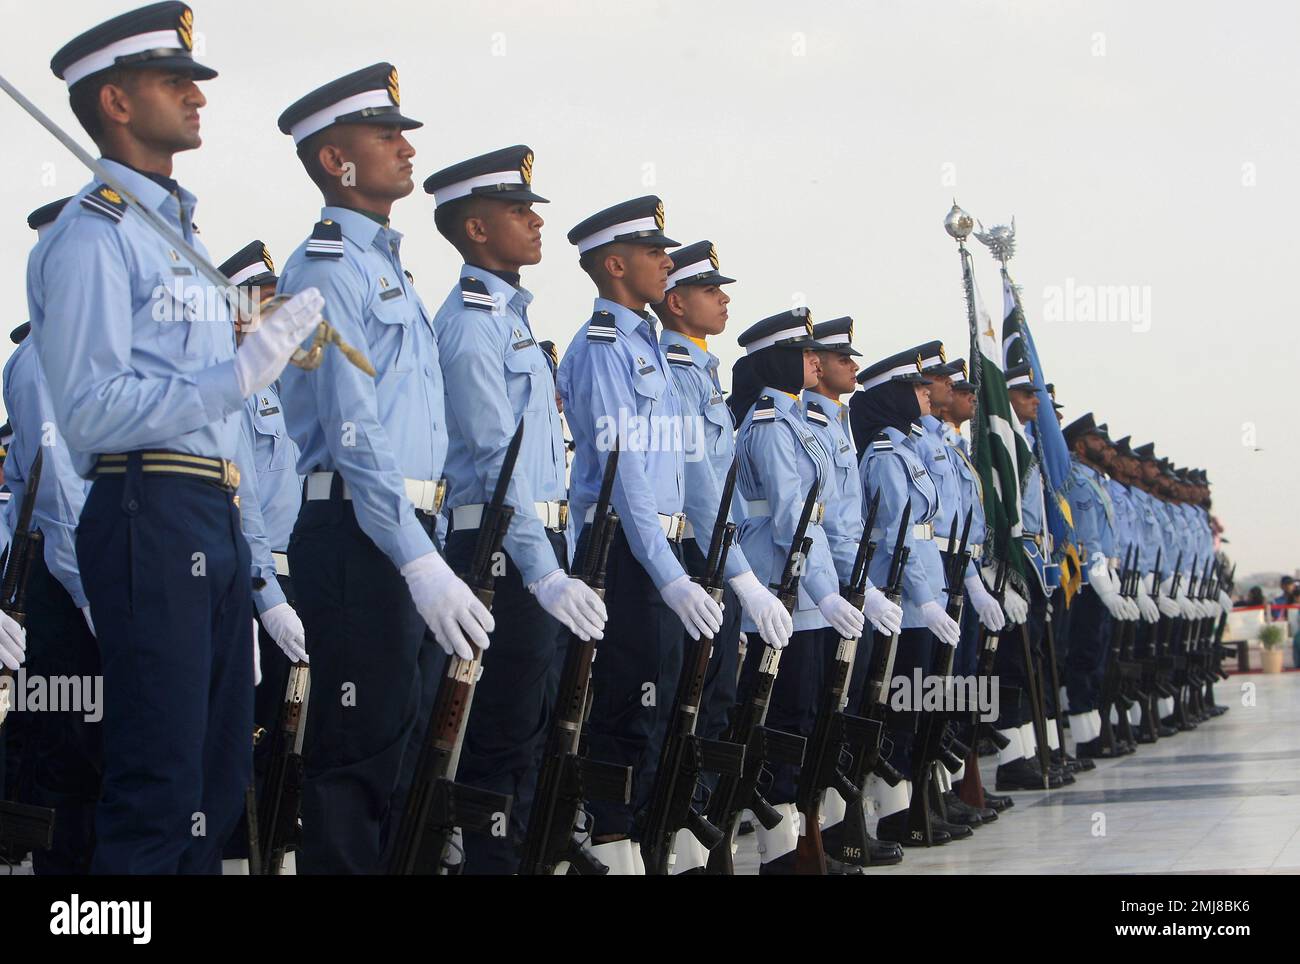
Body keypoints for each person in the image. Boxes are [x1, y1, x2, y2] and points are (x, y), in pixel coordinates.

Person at [33, 2, 325, 873]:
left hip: (210, 512)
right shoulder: (95, 234)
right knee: (157, 782)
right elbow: (88, 411)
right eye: (175, 82)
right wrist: (236, 375)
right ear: (116, 102)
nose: (197, 97)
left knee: (213, 776)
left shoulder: (178, 237)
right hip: (146, 504)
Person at [275, 63, 492, 873]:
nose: (406, 150)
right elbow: (356, 434)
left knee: (406, 756)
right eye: (386, 136)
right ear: (338, 161)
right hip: (360, 537)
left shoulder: (388, 266)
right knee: (356, 758)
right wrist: (415, 560)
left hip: (405, 534)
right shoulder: (329, 266)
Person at [421, 145, 606, 872]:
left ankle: (533, 853)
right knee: (499, 729)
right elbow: (496, 456)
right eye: (518, 211)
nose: (535, 224)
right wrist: (541, 571)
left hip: (535, 545)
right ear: (475, 228)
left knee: (536, 723)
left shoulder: (511, 316)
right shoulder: (471, 321)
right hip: (498, 547)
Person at [556, 196, 724, 874]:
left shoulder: (648, 346)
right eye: (656, 253)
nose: (668, 262)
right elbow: (626, 477)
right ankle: (620, 849)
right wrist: (667, 571)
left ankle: (658, 850)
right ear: (615, 264)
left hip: (659, 549)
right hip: (625, 549)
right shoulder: (601, 348)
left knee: (662, 709)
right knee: (629, 709)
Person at [649, 241, 792, 872]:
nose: (724, 299)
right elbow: (701, 487)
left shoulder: (700, 373)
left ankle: (704, 845)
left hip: (717, 557)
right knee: (688, 708)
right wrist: (739, 576)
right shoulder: (676, 373)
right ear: (676, 302)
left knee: (716, 705)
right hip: (696, 557)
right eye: (711, 290)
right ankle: (679, 851)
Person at [729, 310, 865, 872]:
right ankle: (783, 853)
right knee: (782, 723)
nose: (817, 361)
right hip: (780, 593)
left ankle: (808, 842)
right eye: (805, 353)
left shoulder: (799, 423)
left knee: (806, 718)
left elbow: (823, 519)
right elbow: (791, 521)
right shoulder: (768, 425)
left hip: (808, 591)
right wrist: (827, 591)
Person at [2, 197, 101, 874]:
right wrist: (101, 601)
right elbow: (61, 496)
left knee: (90, 759)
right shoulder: (44, 359)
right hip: (68, 591)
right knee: (66, 759)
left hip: (85, 581)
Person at [215, 240, 309, 870]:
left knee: (291, 742)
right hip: (256, 586)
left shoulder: (284, 387)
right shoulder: (232, 389)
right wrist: (266, 601)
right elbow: (241, 510)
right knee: (245, 743)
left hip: (294, 581)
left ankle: (276, 856)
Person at [850, 347, 963, 845]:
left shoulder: (907, 450)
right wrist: (925, 597)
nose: (928, 394)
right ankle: (900, 815)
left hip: (925, 592)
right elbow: (896, 534)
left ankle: (922, 806)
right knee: (901, 708)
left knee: (925, 705)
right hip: (903, 597)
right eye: (917, 389)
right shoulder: (884, 455)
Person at [802, 317, 904, 866]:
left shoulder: (837, 423)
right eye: (841, 359)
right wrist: (844, 585)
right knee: (811, 714)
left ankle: (841, 829)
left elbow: (845, 520)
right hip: (821, 588)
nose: (851, 368)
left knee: (841, 713)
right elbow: (818, 522)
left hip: (847, 582)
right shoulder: (798, 423)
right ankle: (805, 839)